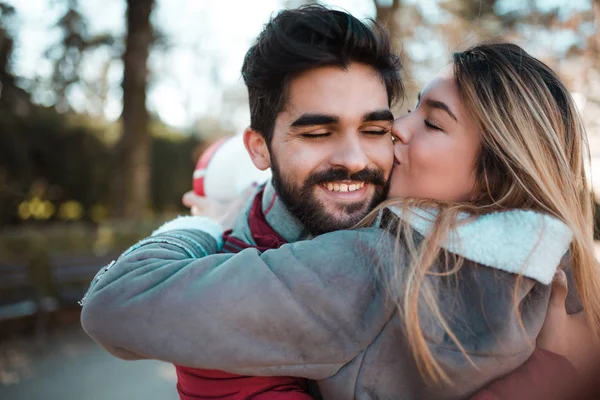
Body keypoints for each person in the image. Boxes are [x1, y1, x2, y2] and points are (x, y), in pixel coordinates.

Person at [81, 40, 600, 399]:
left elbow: (114, 303)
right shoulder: (565, 279)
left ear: (492, 174)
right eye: (411, 108)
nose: (397, 128)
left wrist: (204, 228)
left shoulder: (373, 266)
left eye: (432, 122)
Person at [82, 5, 403, 400]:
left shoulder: (426, 217)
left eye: (374, 130)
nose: (355, 159)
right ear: (259, 148)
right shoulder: (219, 294)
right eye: (318, 133)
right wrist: (206, 230)